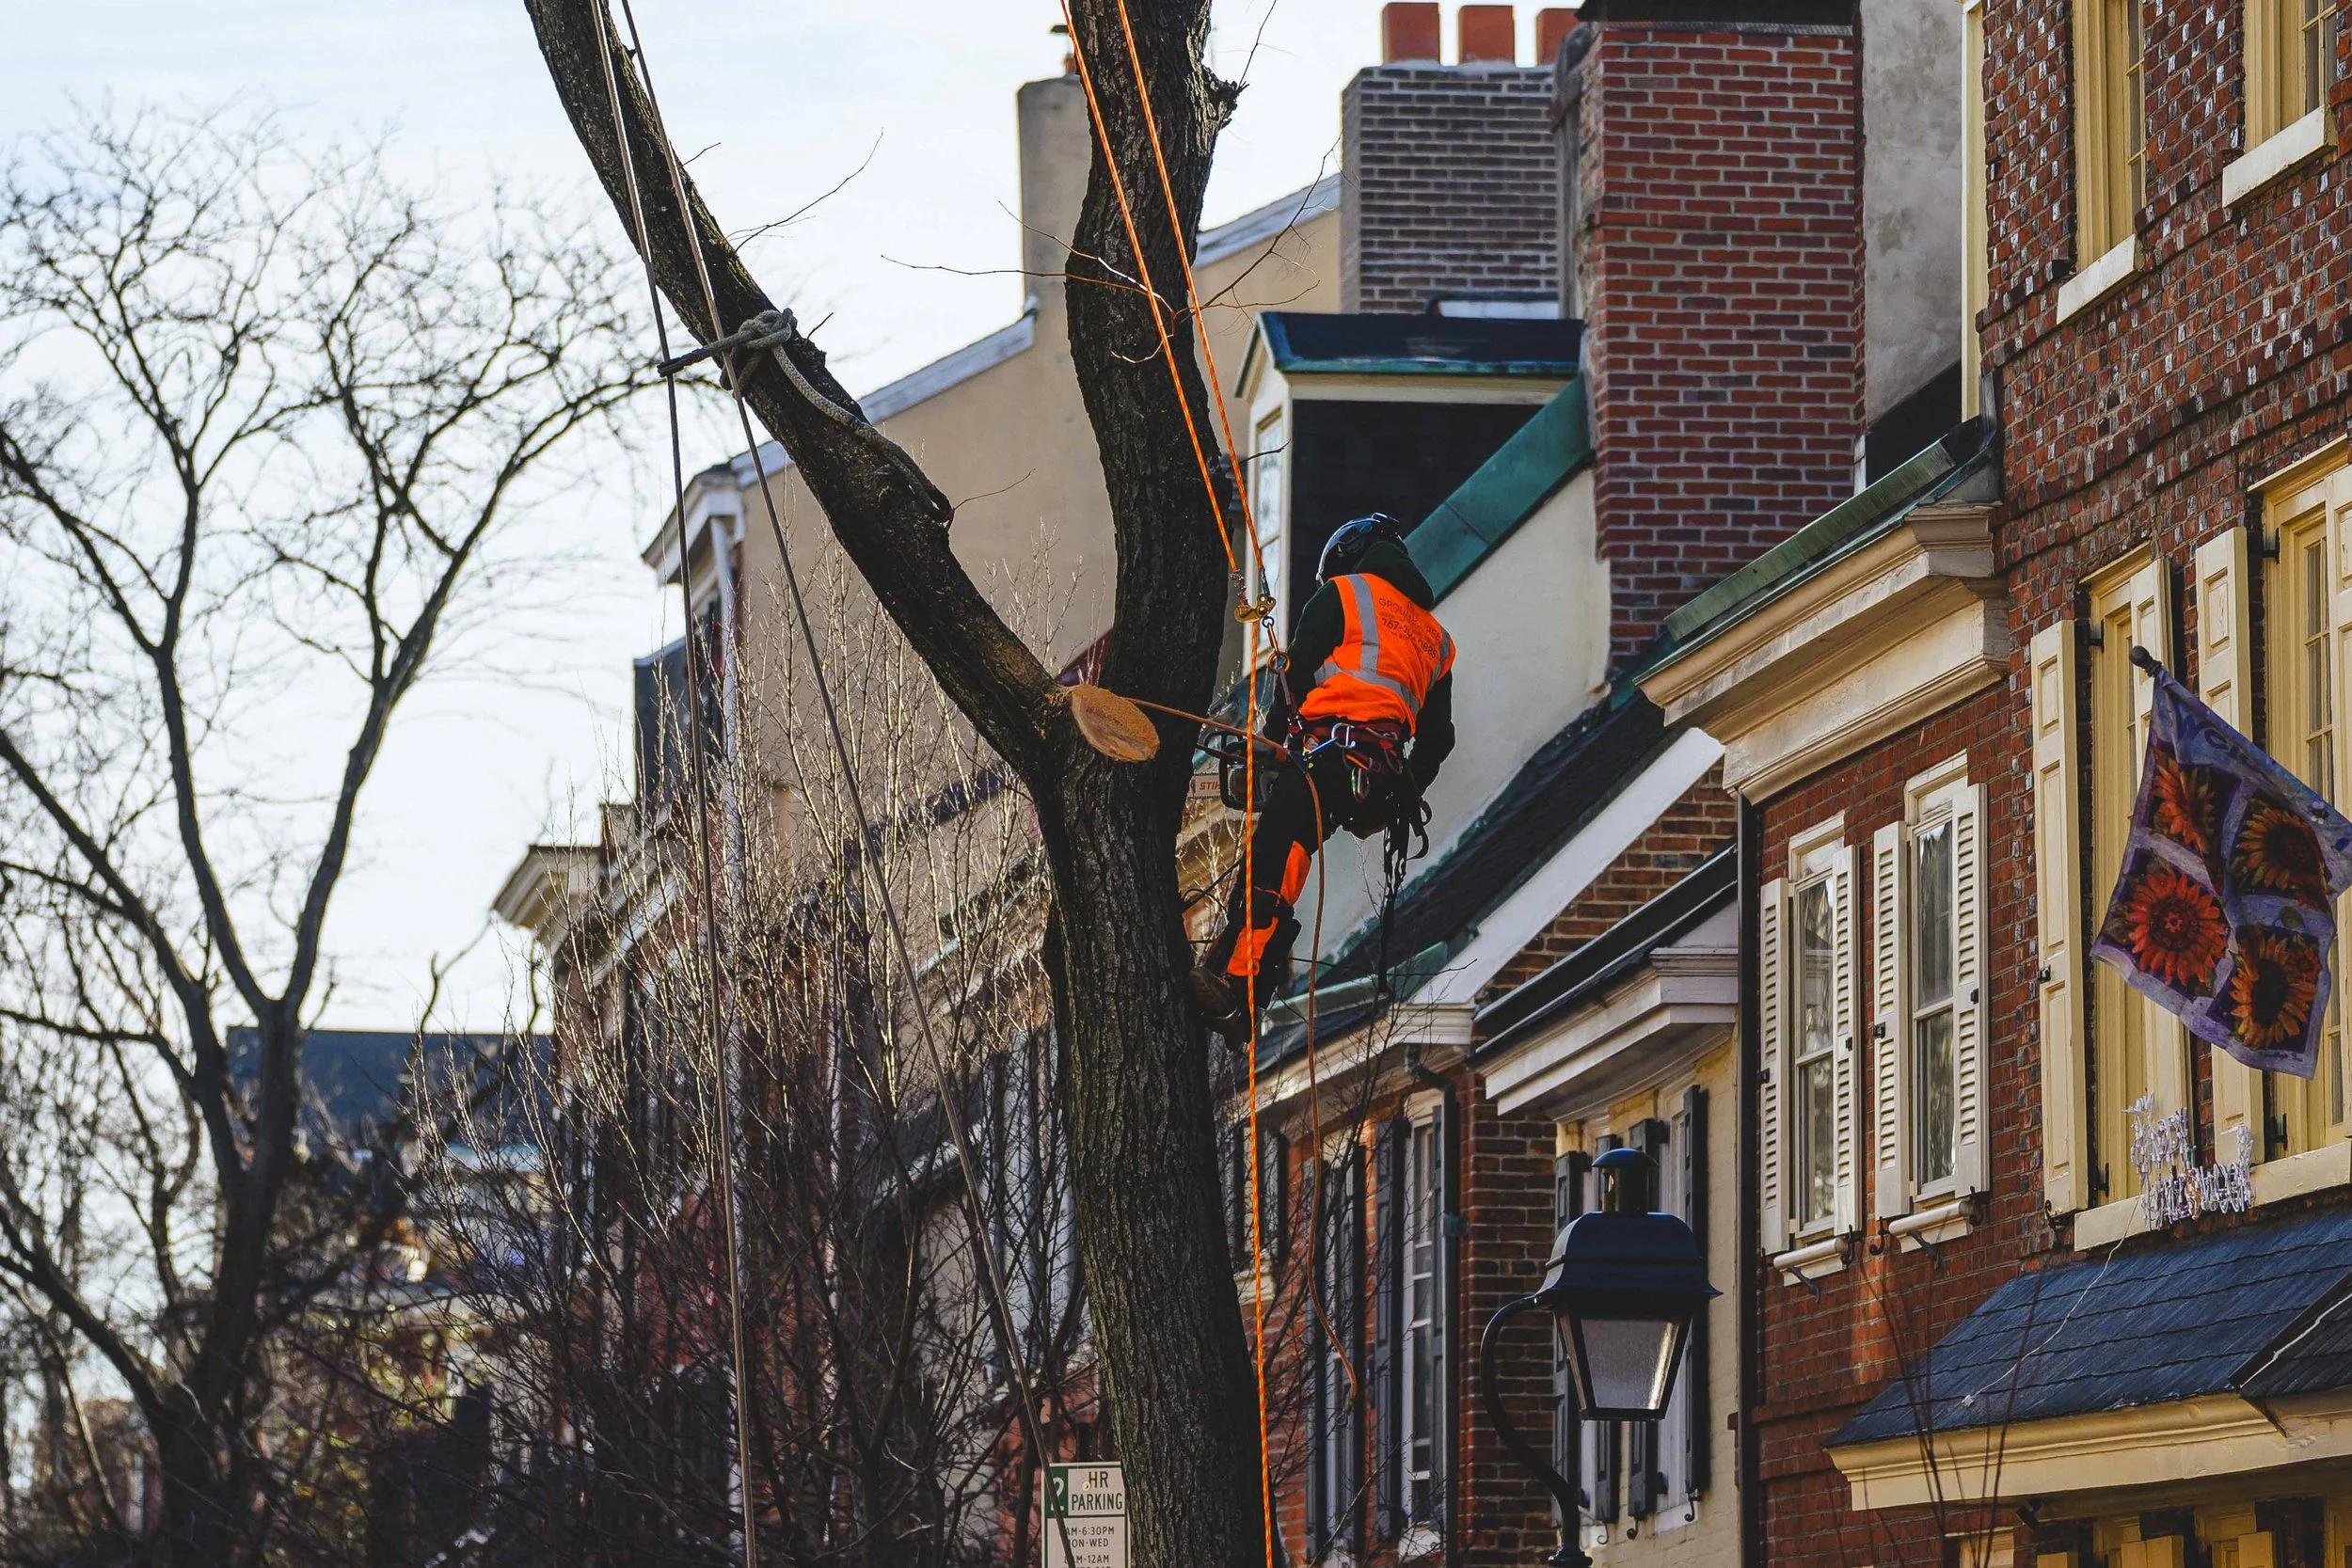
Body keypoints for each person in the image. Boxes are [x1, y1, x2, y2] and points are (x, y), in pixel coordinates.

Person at [1192, 513, 1456, 1045]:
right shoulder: (1437, 639)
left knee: (1274, 854)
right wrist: (1408, 790)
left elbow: (1292, 674)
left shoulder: (1344, 595)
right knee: (1287, 855)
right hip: (1373, 774)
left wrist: (1269, 746)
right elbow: (1438, 739)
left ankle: (1238, 980)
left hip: (1330, 752)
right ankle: (1234, 975)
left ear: (1351, 555)